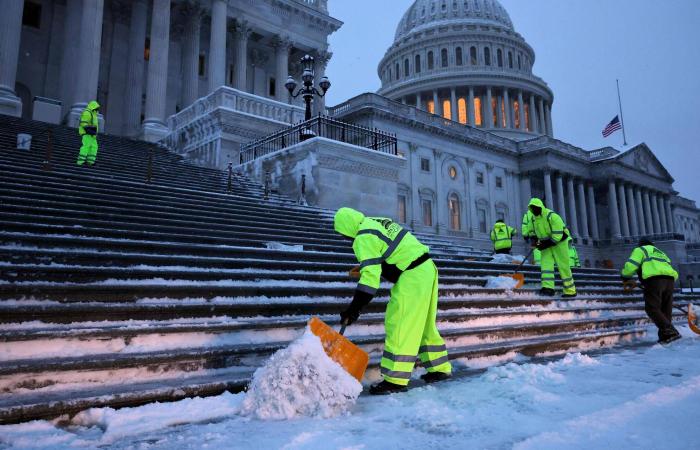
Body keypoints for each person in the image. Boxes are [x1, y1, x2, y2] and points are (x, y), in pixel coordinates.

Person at [334, 207, 452, 394]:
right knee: (424, 325)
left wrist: (353, 309)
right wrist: (369, 265)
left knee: (399, 323)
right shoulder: (375, 221)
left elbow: (369, 281)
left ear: (347, 228)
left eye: (343, 235)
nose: (346, 239)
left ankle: (395, 381)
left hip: (412, 275)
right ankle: (439, 368)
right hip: (427, 268)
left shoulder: (362, 237)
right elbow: (391, 251)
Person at [621, 238, 681, 344]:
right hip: (670, 280)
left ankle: (670, 330)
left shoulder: (640, 250)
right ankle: (665, 336)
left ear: (641, 245)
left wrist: (625, 276)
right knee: (665, 309)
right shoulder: (660, 252)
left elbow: (631, 265)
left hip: (654, 280)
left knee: (652, 308)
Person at [527, 198, 577, 297]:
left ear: (540, 207)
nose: (534, 210)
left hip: (560, 242)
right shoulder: (533, 219)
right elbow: (532, 231)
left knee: (563, 266)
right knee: (546, 266)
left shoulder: (552, 216)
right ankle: (548, 288)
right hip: (546, 242)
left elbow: (557, 236)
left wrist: (542, 245)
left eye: (535, 208)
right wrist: (534, 241)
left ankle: (570, 290)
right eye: (532, 208)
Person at [77, 100, 100, 166]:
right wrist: (89, 130)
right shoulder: (87, 112)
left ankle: (90, 162)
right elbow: (83, 123)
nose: (97, 109)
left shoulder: (94, 114)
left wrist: (94, 133)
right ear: (93, 106)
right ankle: (80, 162)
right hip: (87, 133)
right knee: (86, 146)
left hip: (92, 134)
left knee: (94, 147)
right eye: (96, 107)